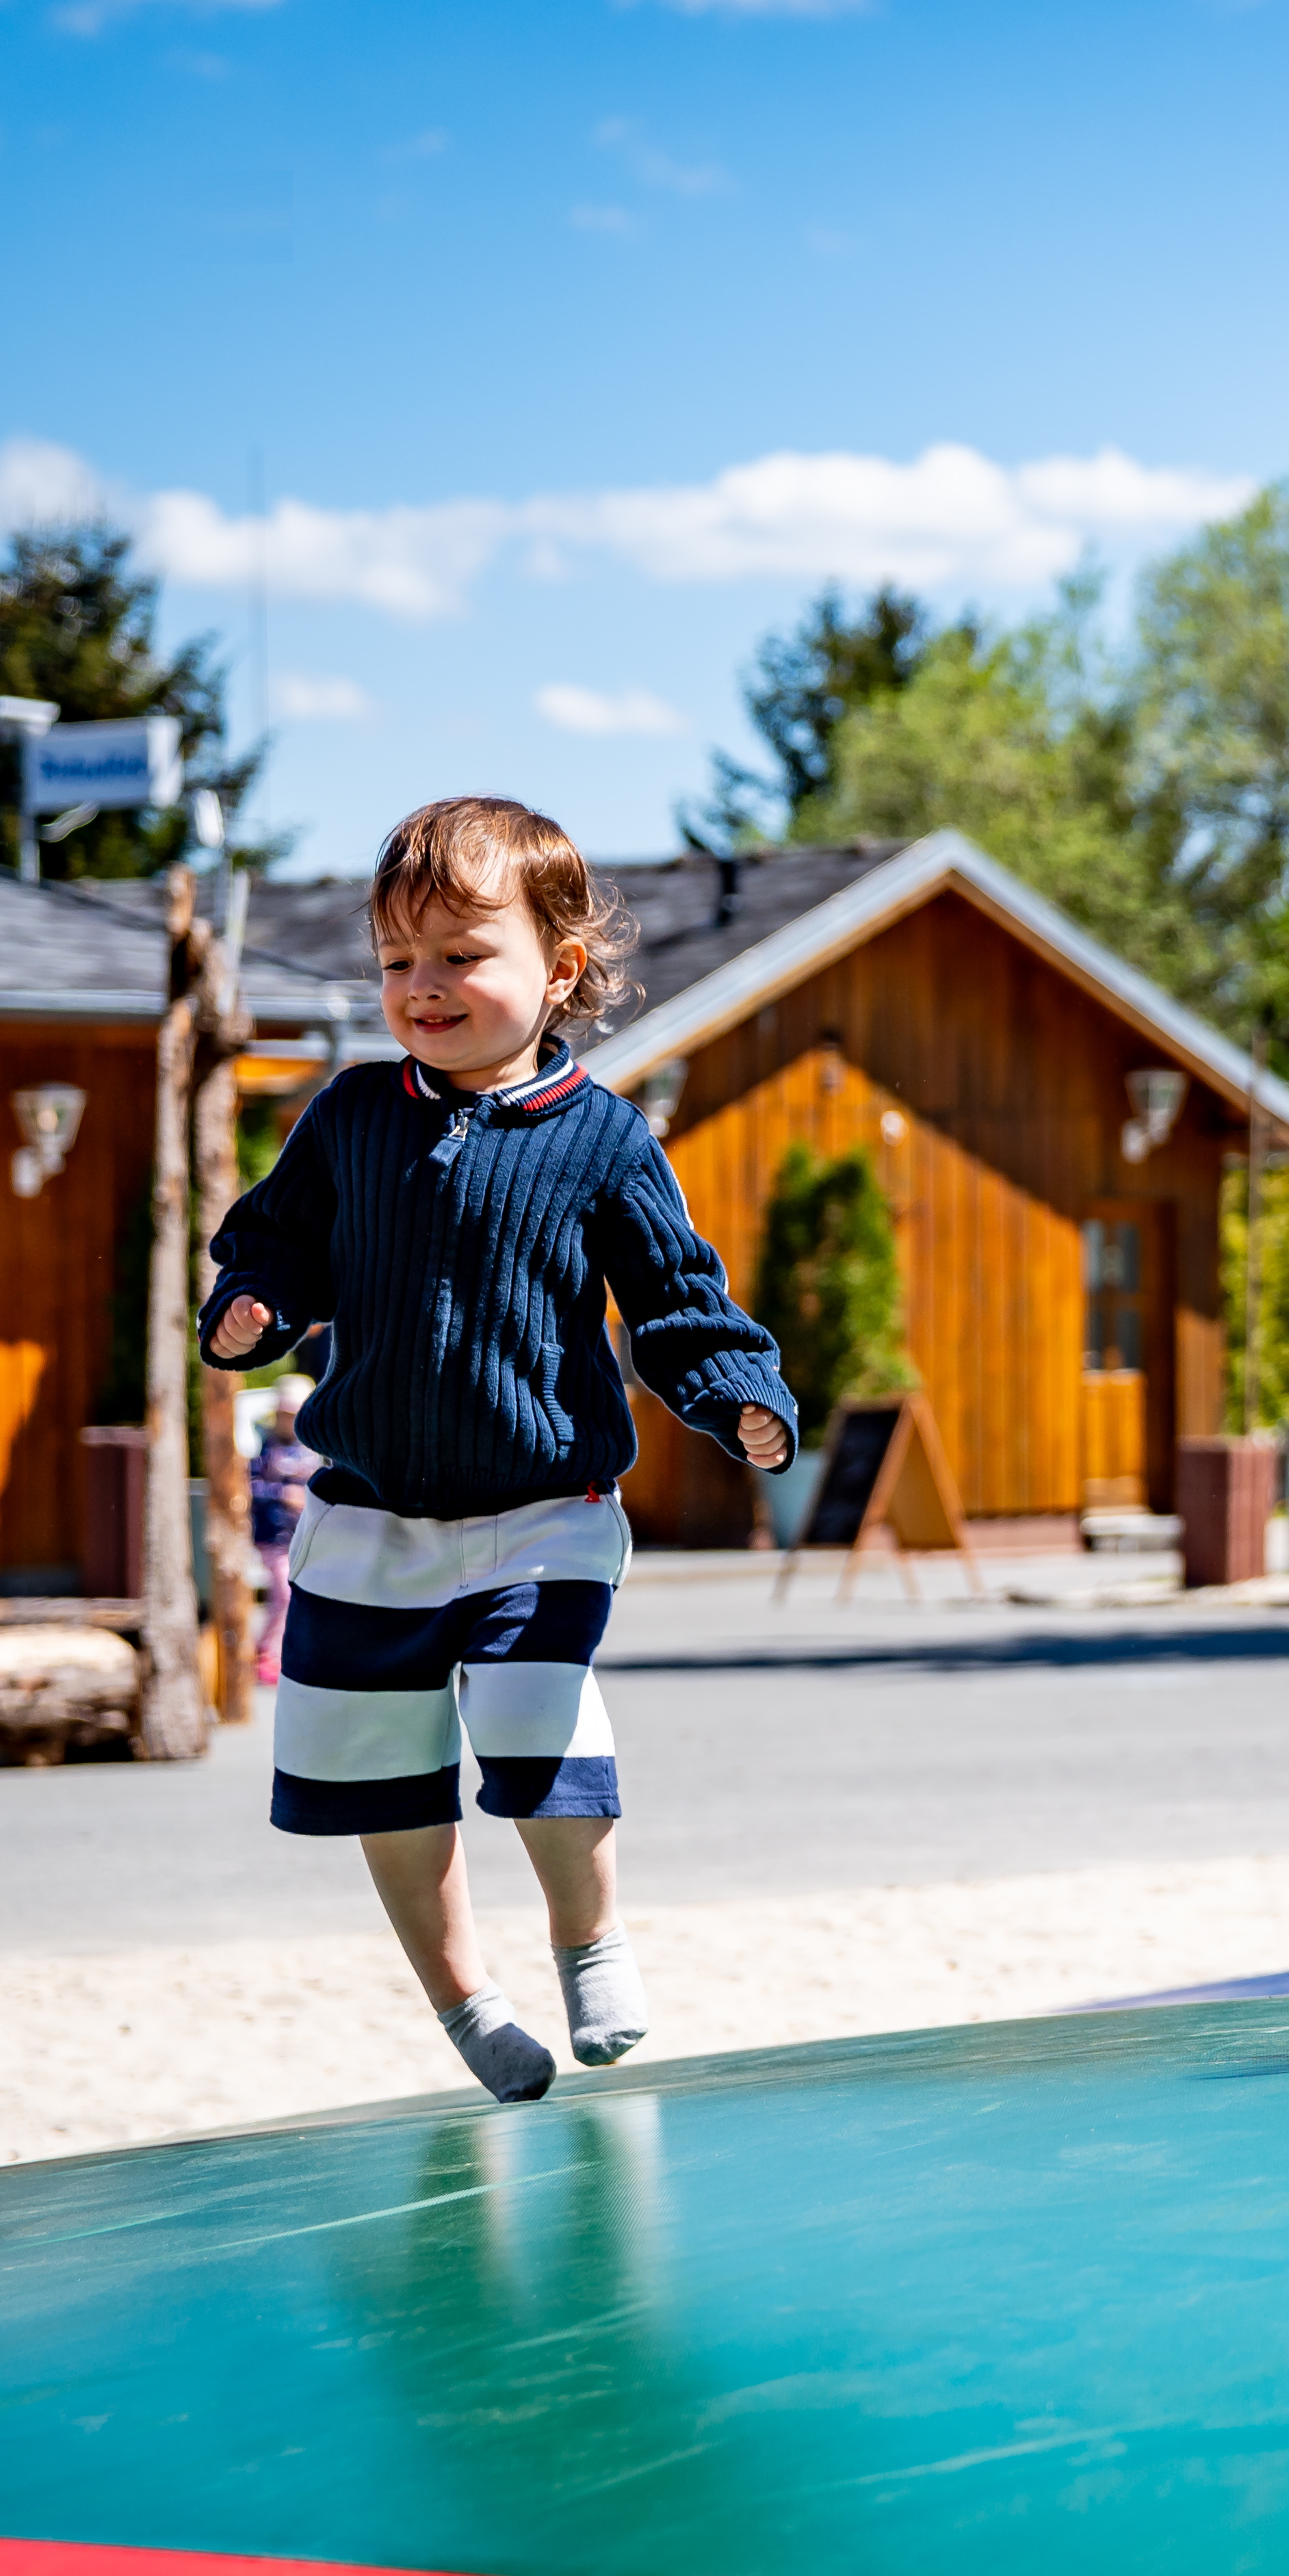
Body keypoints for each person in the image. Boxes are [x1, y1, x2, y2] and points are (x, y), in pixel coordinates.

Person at [200, 798, 799, 2105]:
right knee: (382, 1774)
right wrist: (253, 1305)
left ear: (559, 969)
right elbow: (274, 1245)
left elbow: (678, 1301)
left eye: (460, 955)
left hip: (542, 1508)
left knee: (535, 1716)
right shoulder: (352, 1117)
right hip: (370, 1514)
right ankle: (465, 1999)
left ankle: (590, 1940)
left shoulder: (604, 1139)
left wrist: (739, 1392)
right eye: (396, 960)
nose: (422, 986)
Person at [242, 1381, 318, 1688]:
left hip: (305, 1536)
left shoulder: (311, 1450)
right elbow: (249, 1488)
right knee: (283, 1594)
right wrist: (283, 1494)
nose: (289, 1421)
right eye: (285, 1414)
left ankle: (289, 1652)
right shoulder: (265, 1449)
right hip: (274, 1537)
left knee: (306, 1596)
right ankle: (264, 1653)